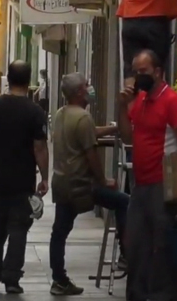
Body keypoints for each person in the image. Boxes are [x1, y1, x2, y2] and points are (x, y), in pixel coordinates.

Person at [117, 50, 177, 301]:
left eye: (144, 72)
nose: (138, 77)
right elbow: (127, 136)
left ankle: (162, 295)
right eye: (135, 72)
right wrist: (122, 105)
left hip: (163, 184)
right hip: (140, 185)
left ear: (159, 72)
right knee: (135, 246)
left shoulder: (172, 101)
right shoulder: (139, 101)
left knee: (161, 248)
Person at [0, 60, 49, 294]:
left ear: (8, 80)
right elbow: (40, 147)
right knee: (18, 231)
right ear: (29, 81)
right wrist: (44, 177)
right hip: (22, 181)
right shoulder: (35, 111)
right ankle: (12, 279)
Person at [49, 73, 130, 296]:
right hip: (80, 184)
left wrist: (113, 129)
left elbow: (88, 133)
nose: (90, 88)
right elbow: (91, 152)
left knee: (59, 231)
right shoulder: (83, 117)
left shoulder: (62, 113)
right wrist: (104, 180)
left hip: (62, 182)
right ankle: (125, 254)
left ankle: (59, 279)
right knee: (123, 202)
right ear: (78, 93)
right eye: (87, 85)